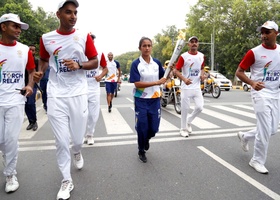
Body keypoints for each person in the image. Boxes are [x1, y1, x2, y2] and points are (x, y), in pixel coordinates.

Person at [33, 1, 98, 199]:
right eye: (68, 12)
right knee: (61, 141)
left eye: (75, 12)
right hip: (56, 93)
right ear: (58, 14)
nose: (73, 16)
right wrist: (40, 72)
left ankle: (77, 151)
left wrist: (79, 65)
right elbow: (44, 60)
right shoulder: (46, 38)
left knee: (76, 139)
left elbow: (94, 61)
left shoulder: (83, 36)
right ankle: (66, 180)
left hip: (78, 93)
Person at [235, 21, 280, 174]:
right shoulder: (254, 52)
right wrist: (252, 82)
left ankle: (245, 136)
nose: (264, 35)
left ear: (276, 33)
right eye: (262, 32)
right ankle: (257, 160)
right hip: (260, 93)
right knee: (265, 129)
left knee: (272, 129)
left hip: (275, 94)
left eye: (268, 32)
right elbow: (239, 72)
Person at [0, 13, 35, 193]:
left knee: (11, 139)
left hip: (15, 100)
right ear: (3, 27)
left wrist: (29, 85)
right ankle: (9, 159)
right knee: (1, 141)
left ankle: (10, 174)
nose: (18, 30)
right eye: (15, 26)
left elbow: (31, 70)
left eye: (20, 27)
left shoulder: (24, 50)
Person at [129, 37, 166, 163]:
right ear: (140, 48)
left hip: (155, 98)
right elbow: (137, 84)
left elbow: (163, 76)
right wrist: (156, 82)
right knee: (142, 127)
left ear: (152, 47)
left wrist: (169, 73)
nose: (147, 48)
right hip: (141, 99)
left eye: (149, 45)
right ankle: (141, 150)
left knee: (154, 128)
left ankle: (147, 139)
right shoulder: (136, 64)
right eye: (144, 45)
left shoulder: (156, 63)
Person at [174, 36, 205, 137]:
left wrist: (202, 75)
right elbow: (176, 70)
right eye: (192, 42)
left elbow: (202, 68)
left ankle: (189, 120)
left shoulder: (201, 56)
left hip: (196, 87)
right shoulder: (184, 56)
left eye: (196, 42)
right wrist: (184, 79)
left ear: (198, 44)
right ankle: (183, 129)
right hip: (186, 87)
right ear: (188, 44)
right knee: (185, 108)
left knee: (200, 107)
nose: (194, 43)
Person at [84, 34, 108, 145]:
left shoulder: (99, 54)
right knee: (80, 114)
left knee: (93, 114)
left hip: (93, 88)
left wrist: (100, 76)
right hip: (81, 88)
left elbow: (105, 68)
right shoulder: (78, 53)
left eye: (92, 40)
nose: (90, 41)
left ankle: (90, 134)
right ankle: (80, 134)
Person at [25, 45, 38, 131]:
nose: (31, 52)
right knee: (25, 104)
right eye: (30, 50)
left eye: (33, 50)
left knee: (30, 102)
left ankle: (35, 121)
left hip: (33, 84)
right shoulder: (23, 59)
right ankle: (31, 122)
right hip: (23, 84)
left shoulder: (36, 60)